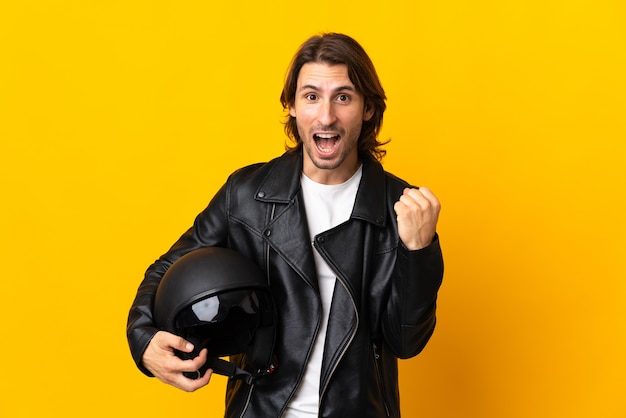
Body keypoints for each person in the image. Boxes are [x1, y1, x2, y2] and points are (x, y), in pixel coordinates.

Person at [127, 32, 444, 417]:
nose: (326, 116)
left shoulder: (401, 209)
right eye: (311, 96)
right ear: (292, 106)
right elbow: (167, 268)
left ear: (367, 109)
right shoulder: (245, 194)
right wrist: (143, 340)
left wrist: (419, 252)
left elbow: (406, 341)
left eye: (343, 97)